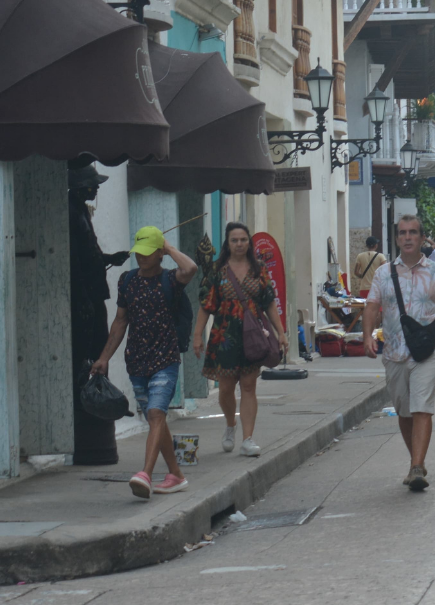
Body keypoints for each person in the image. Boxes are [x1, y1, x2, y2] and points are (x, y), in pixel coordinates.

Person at [363, 215, 435, 491]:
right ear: (397, 238)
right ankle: (415, 460)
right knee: (405, 411)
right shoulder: (383, 273)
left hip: (426, 353)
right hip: (394, 352)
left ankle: (418, 466)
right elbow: (372, 306)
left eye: (413, 233)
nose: (407, 237)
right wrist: (366, 336)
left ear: (423, 238)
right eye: (402, 233)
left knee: (422, 407)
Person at [91, 227, 198, 498]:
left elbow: (192, 268)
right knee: (156, 419)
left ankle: (146, 474)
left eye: (148, 253)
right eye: (138, 252)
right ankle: (176, 475)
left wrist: (169, 247)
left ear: (159, 254)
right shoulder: (127, 281)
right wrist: (104, 358)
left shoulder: (171, 279)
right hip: (137, 361)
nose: (142, 258)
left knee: (155, 414)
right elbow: (120, 321)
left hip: (165, 359)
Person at [193, 222, 289, 458]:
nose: (239, 244)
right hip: (224, 335)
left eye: (243, 240)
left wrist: (281, 332)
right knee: (225, 389)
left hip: (253, 335)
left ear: (249, 242)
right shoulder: (217, 270)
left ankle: (248, 439)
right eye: (234, 240)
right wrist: (197, 335)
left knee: (248, 386)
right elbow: (206, 305)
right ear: (228, 243)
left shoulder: (259, 270)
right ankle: (230, 424)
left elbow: (269, 303)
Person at [70, 163, 130, 465]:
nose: (97, 188)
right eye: (93, 184)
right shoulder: (71, 213)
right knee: (91, 353)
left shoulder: (80, 211)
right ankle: (90, 402)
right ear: (82, 186)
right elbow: (75, 262)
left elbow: (88, 255)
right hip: (86, 299)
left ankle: (98, 397)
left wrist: (110, 258)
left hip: (93, 295)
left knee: (99, 349)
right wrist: (82, 299)